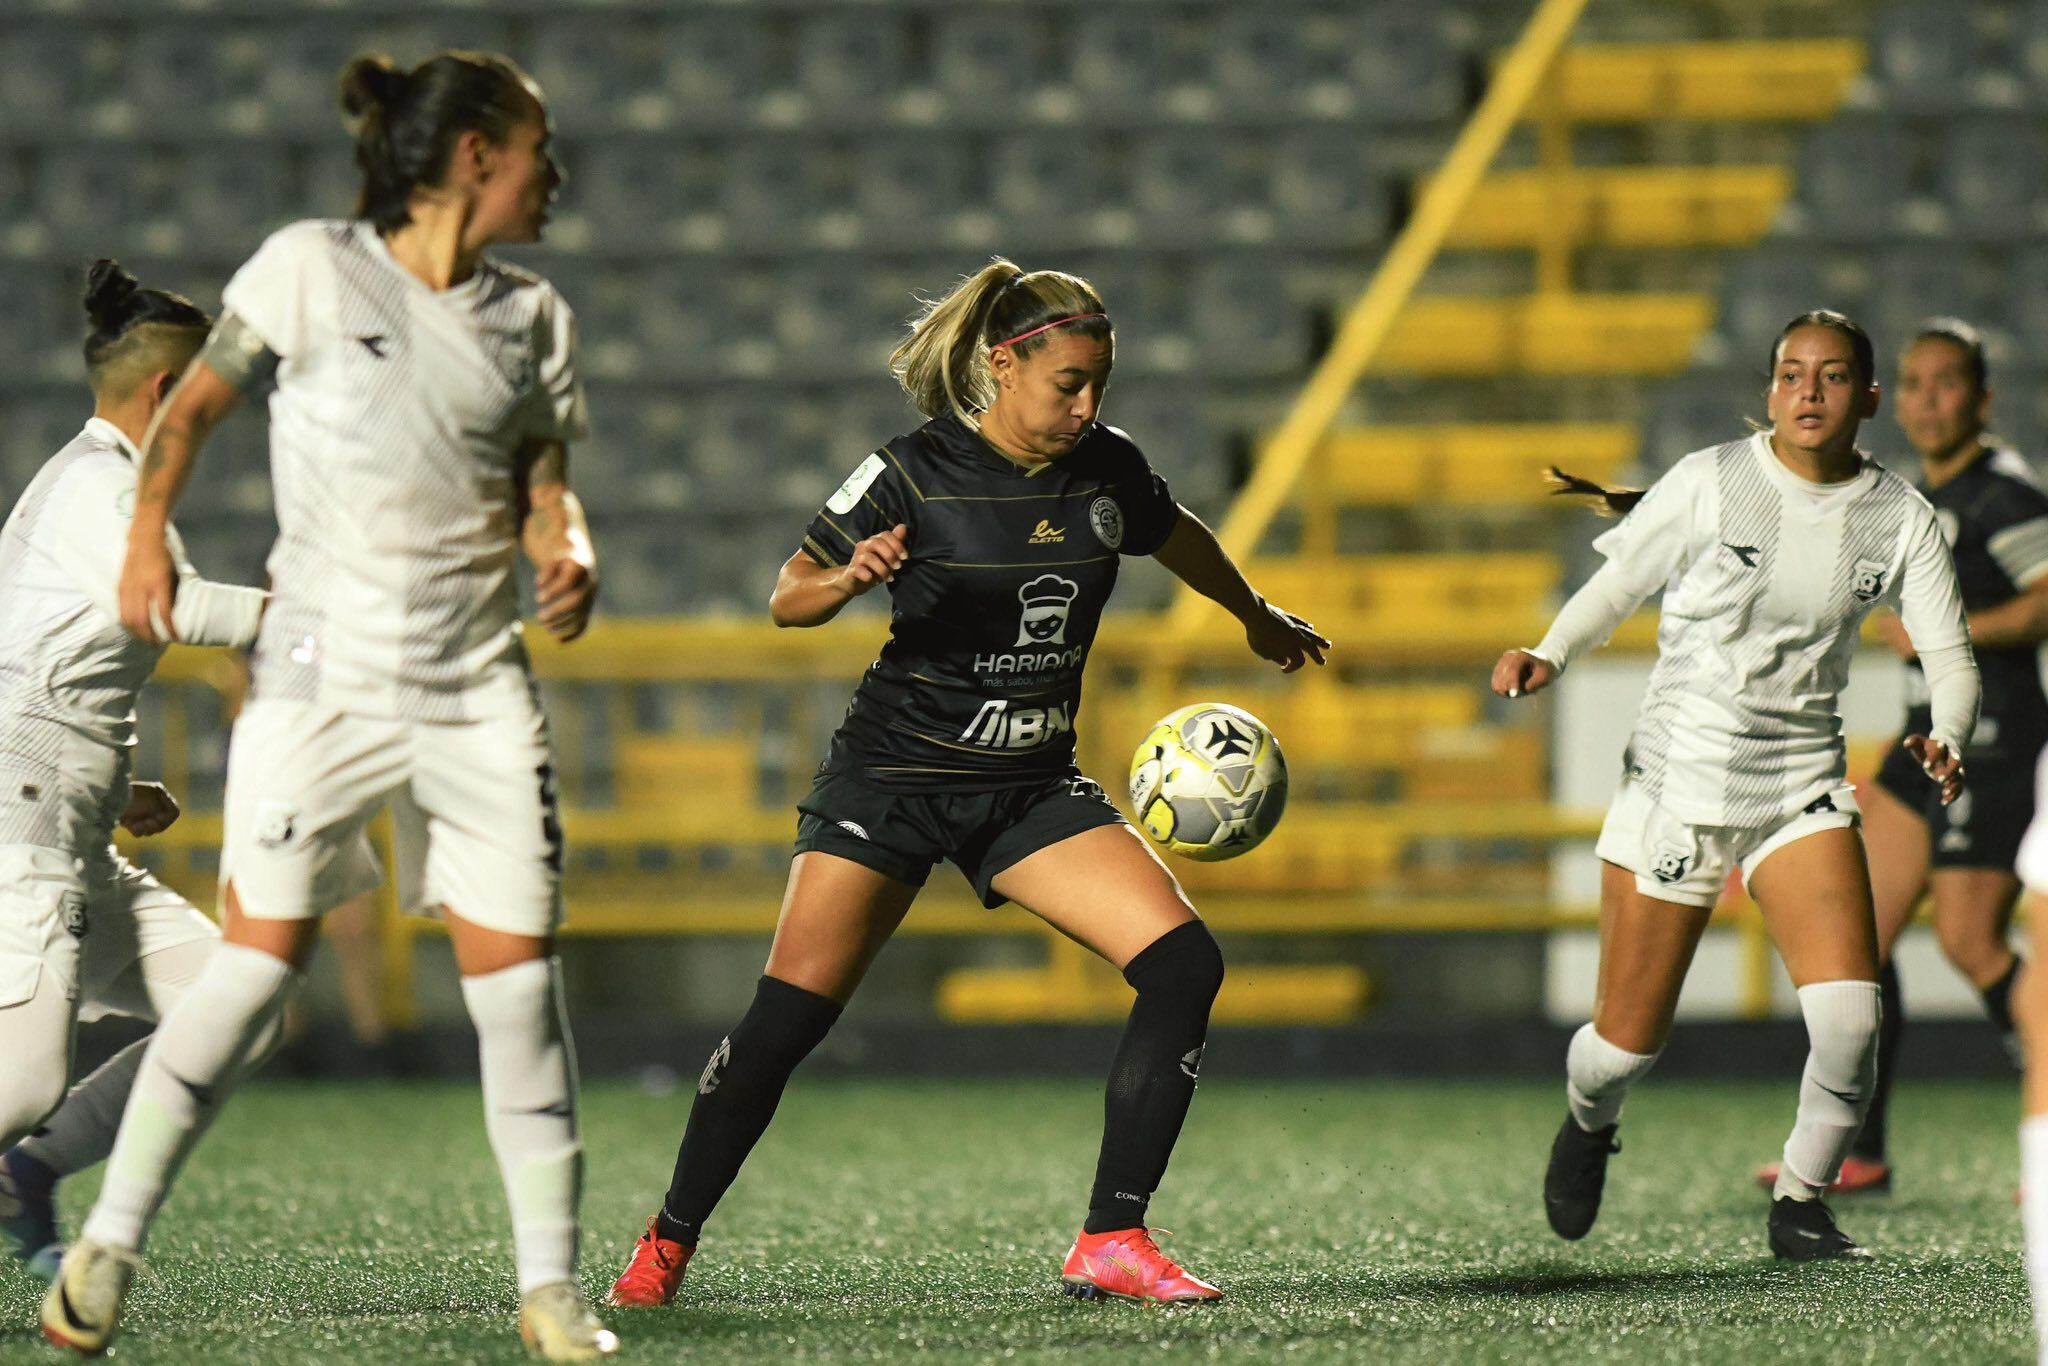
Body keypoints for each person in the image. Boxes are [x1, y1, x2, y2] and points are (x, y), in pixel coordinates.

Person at [605, 260, 1330, 1310]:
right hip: (892, 777)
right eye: (1066, 384)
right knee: (784, 1024)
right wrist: (848, 578)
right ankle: (667, 1241)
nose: (1085, 407)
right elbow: (786, 595)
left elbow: (1175, 535)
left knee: (1181, 964)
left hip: (1025, 784)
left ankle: (1111, 1236)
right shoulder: (912, 470)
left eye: (1098, 387)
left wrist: (1252, 612)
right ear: (1003, 366)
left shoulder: (1106, 469)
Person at [40, 51, 614, 1361]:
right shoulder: (307, 266)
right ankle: (108, 1244)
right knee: (252, 973)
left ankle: (550, 1291)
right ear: (475, 154)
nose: (557, 172)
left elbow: (543, 479)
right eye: (539, 147)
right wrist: (145, 544)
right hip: (320, 676)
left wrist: (564, 546)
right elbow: (186, 416)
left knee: (518, 989)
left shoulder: (534, 317)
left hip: (476, 686)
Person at [1494, 310, 1978, 1260]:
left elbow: (1949, 653)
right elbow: (1618, 586)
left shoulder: (1900, 516)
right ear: (1768, 392)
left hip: (1799, 787)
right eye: (1792, 374)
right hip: (1679, 783)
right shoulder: (1714, 481)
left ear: (1867, 399)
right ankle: (1589, 1123)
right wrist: (1549, 650)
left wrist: (1949, 732)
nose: (1809, 392)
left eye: (1833, 377)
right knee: (1622, 1048)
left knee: (1849, 1017)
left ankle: (1801, 1201)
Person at [0, 260, 266, 1283]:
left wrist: (114, 785)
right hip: (26, 828)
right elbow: (172, 606)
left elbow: (44, 658)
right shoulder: (99, 488)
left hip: (63, 818)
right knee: (22, 1077)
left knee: (241, 997)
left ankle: (25, 1179)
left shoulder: (97, 487)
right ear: (167, 393)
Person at [1755, 319, 2048, 1197]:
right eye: (1912, 385)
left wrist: (1935, 637)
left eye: (1946, 384)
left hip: (1991, 746)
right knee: (1856, 937)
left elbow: (2044, 605)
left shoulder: (2005, 497)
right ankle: (1857, 1148)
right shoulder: (1921, 498)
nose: (1926, 401)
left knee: (1969, 941)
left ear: (1983, 398)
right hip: (1923, 748)